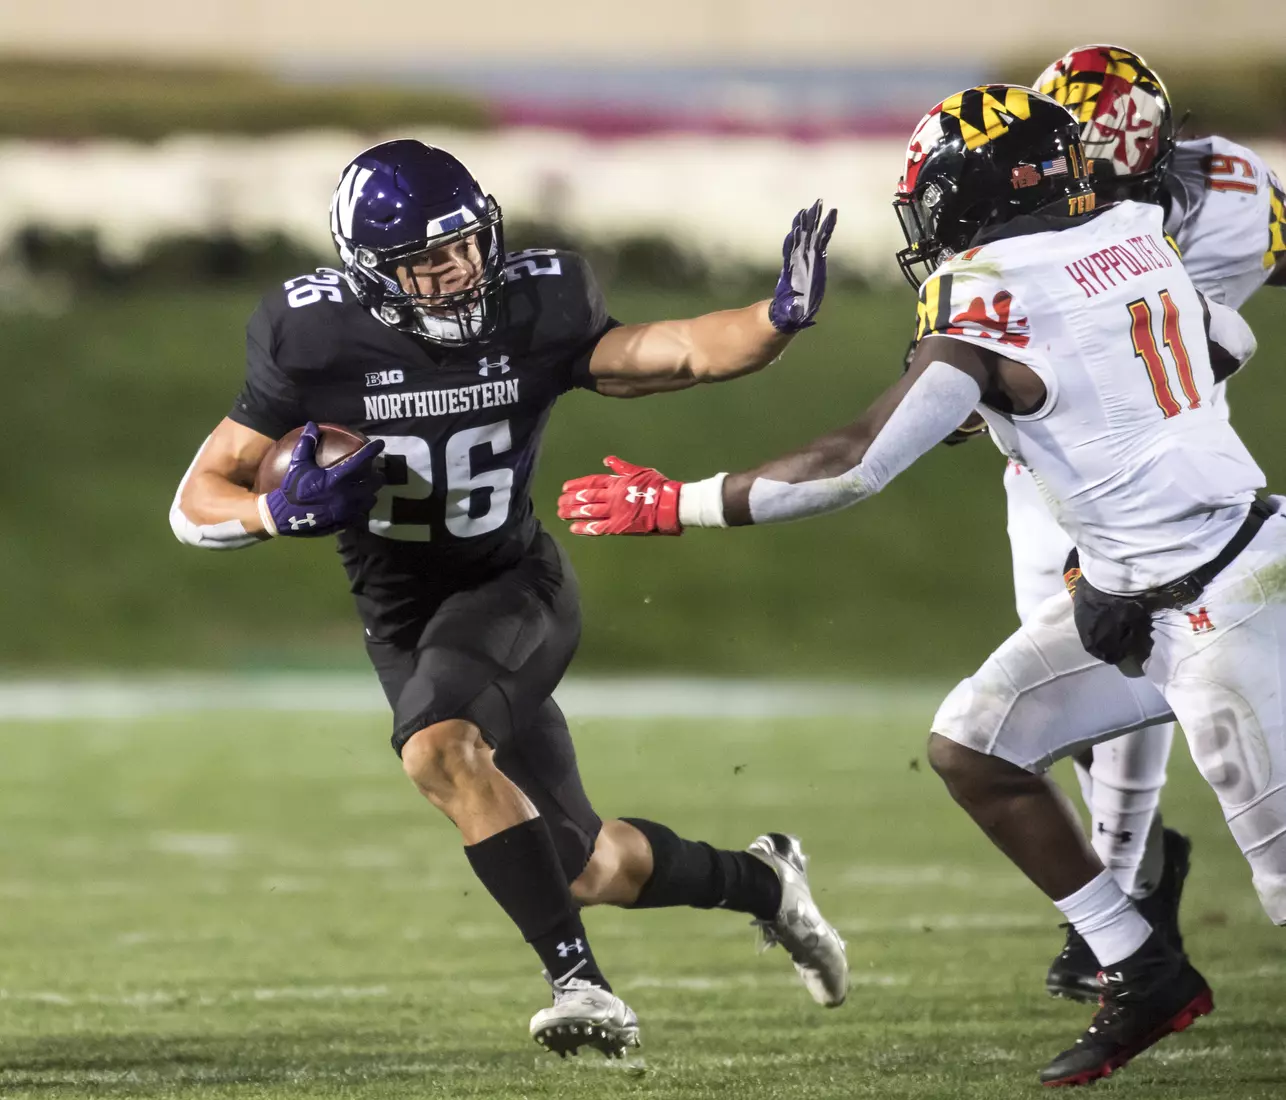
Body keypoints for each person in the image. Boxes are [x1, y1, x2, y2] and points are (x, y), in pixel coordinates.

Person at [555, 85, 1281, 1085]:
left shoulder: (990, 289)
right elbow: (1213, 350)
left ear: (969, 188)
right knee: (974, 742)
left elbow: (851, 461)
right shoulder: (1134, 230)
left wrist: (674, 501)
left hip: (1223, 602)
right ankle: (1142, 965)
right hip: (1157, 580)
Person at [169, 139, 848, 1059]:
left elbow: (673, 352)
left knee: (438, 749)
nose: (455, 272)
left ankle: (582, 986)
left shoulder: (540, 299)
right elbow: (196, 498)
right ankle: (768, 884)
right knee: (578, 864)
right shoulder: (312, 336)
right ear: (372, 275)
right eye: (424, 260)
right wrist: (269, 513)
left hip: (510, 583)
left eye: (463, 247)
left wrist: (771, 319)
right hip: (400, 614)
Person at [999, 44, 1286, 1003]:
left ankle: (1121, 893)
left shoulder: (1234, 195)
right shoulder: (1014, 200)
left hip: (1162, 476)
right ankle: (1141, 880)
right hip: (1050, 471)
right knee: (1073, 693)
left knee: (1131, 653)